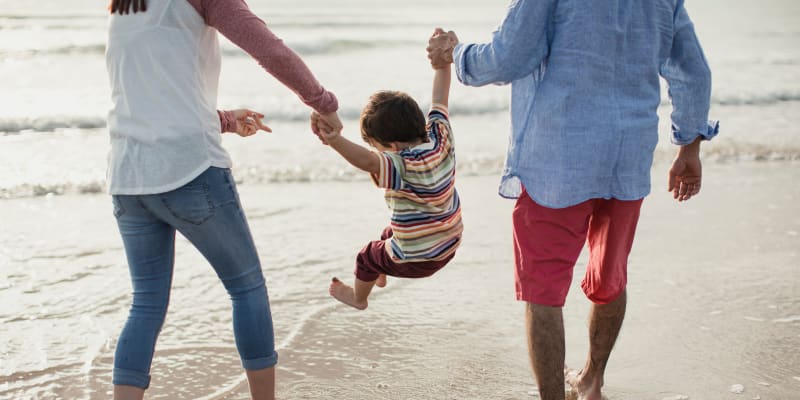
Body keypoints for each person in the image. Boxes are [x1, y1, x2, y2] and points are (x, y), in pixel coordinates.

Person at [427, 1, 718, 399]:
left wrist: (455, 54)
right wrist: (689, 146)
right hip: (628, 154)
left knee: (542, 289)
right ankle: (592, 380)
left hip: (558, 155)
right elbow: (693, 69)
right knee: (610, 277)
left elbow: (509, 56)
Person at [105, 0, 342, 399]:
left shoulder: (123, 5)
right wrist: (324, 104)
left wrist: (227, 120)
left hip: (128, 176)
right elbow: (270, 51)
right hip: (190, 169)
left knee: (145, 304)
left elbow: (152, 97)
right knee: (247, 287)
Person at [310, 32, 462, 310]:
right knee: (388, 233)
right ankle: (380, 271)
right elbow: (440, 97)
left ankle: (358, 297)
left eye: (379, 148)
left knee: (366, 256)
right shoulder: (440, 135)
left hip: (418, 259)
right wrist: (442, 65)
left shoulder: (401, 163)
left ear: (391, 146)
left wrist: (334, 140)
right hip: (449, 243)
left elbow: (367, 161)